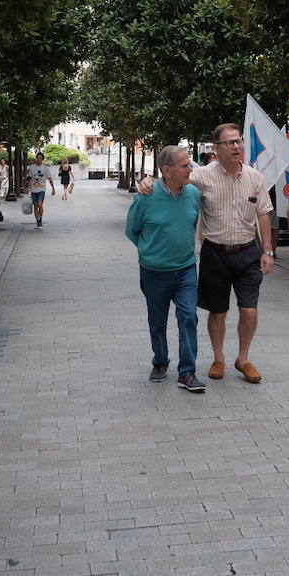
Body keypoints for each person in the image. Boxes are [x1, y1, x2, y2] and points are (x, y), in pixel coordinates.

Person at [192, 123, 275, 384]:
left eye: (239, 141)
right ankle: (219, 358)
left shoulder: (254, 177)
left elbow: (264, 213)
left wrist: (268, 250)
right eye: (230, 143)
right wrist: (151, 182)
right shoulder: (202, 176)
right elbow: (174, 183)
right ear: (216, 148)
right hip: (215, 253)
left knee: (249, 310)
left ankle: (243, 358)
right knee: (217, 312)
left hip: (248, 253)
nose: (237, 146)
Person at [125, 146, 204, 393]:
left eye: (189, 164)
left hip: (186, 269)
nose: (190, 169)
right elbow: (132, 230)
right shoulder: (145, 197)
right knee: (157, 321)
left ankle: (187, 373)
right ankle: (160, 361)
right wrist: (150, 251)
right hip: (154, 272)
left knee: (189, 317)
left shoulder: (193, 194)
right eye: (184, 166)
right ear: (166, 171)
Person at [25, 151, 56, 228]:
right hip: (33, 189)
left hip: (41, 189)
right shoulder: (32, 167)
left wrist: (53, 189)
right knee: (35, 206)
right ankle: (38, 221)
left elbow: (50, 179)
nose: (38, 159)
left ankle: (40, 218)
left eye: (40, 158)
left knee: (40, 204)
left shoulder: (45, 168)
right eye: (37, 158)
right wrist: (28, 187)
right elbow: (30, 178)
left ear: (42, 159)